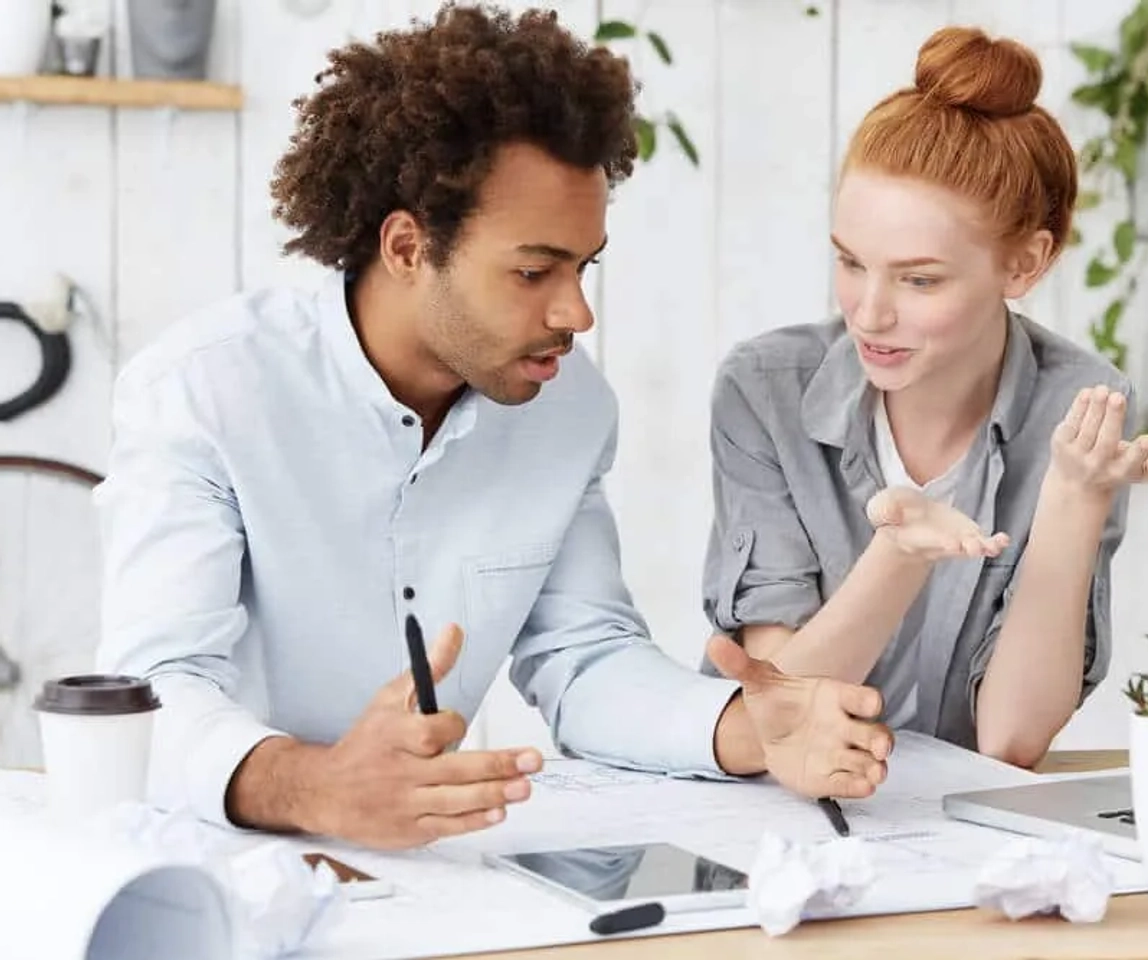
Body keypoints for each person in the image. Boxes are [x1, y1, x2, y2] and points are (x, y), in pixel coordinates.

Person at [93, 3, 894, 852]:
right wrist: (317, 785)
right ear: (406, 247)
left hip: (437, 880)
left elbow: (584, 659)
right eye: (533, 270)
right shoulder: (205, 391)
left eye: (583, 267)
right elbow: (150, 690)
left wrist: (743, 728)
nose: (576, 310)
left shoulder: (569, 408)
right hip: (212, 865)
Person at [701, 26, 1148, 769]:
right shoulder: (765, 392)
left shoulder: (1082, 408)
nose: (869, 313)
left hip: (958, 835)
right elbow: (783, 706)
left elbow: (1012, 739)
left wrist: (1075, 500)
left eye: (919, 279)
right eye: (851, 263)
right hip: (772, 812)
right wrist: (901, 553)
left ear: (1023, 264)